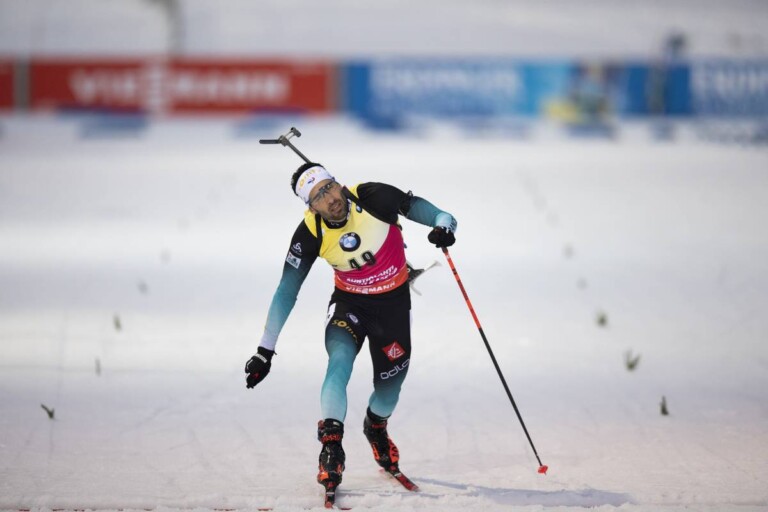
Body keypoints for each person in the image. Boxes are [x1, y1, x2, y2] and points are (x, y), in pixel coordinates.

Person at [244, 162, 457, 494]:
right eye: (318, 196)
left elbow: (439, 215)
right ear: (310, 207)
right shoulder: (310, 233)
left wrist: (443, 227)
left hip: (393, 307)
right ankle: (331, 447)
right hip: (350, 306)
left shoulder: (373, 196)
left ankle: (376, 426)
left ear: (337, 183)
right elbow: (287, 290)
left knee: (389, 392)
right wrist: (264, 350)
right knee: (339, 360)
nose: (329, 199)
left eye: (329, 187)